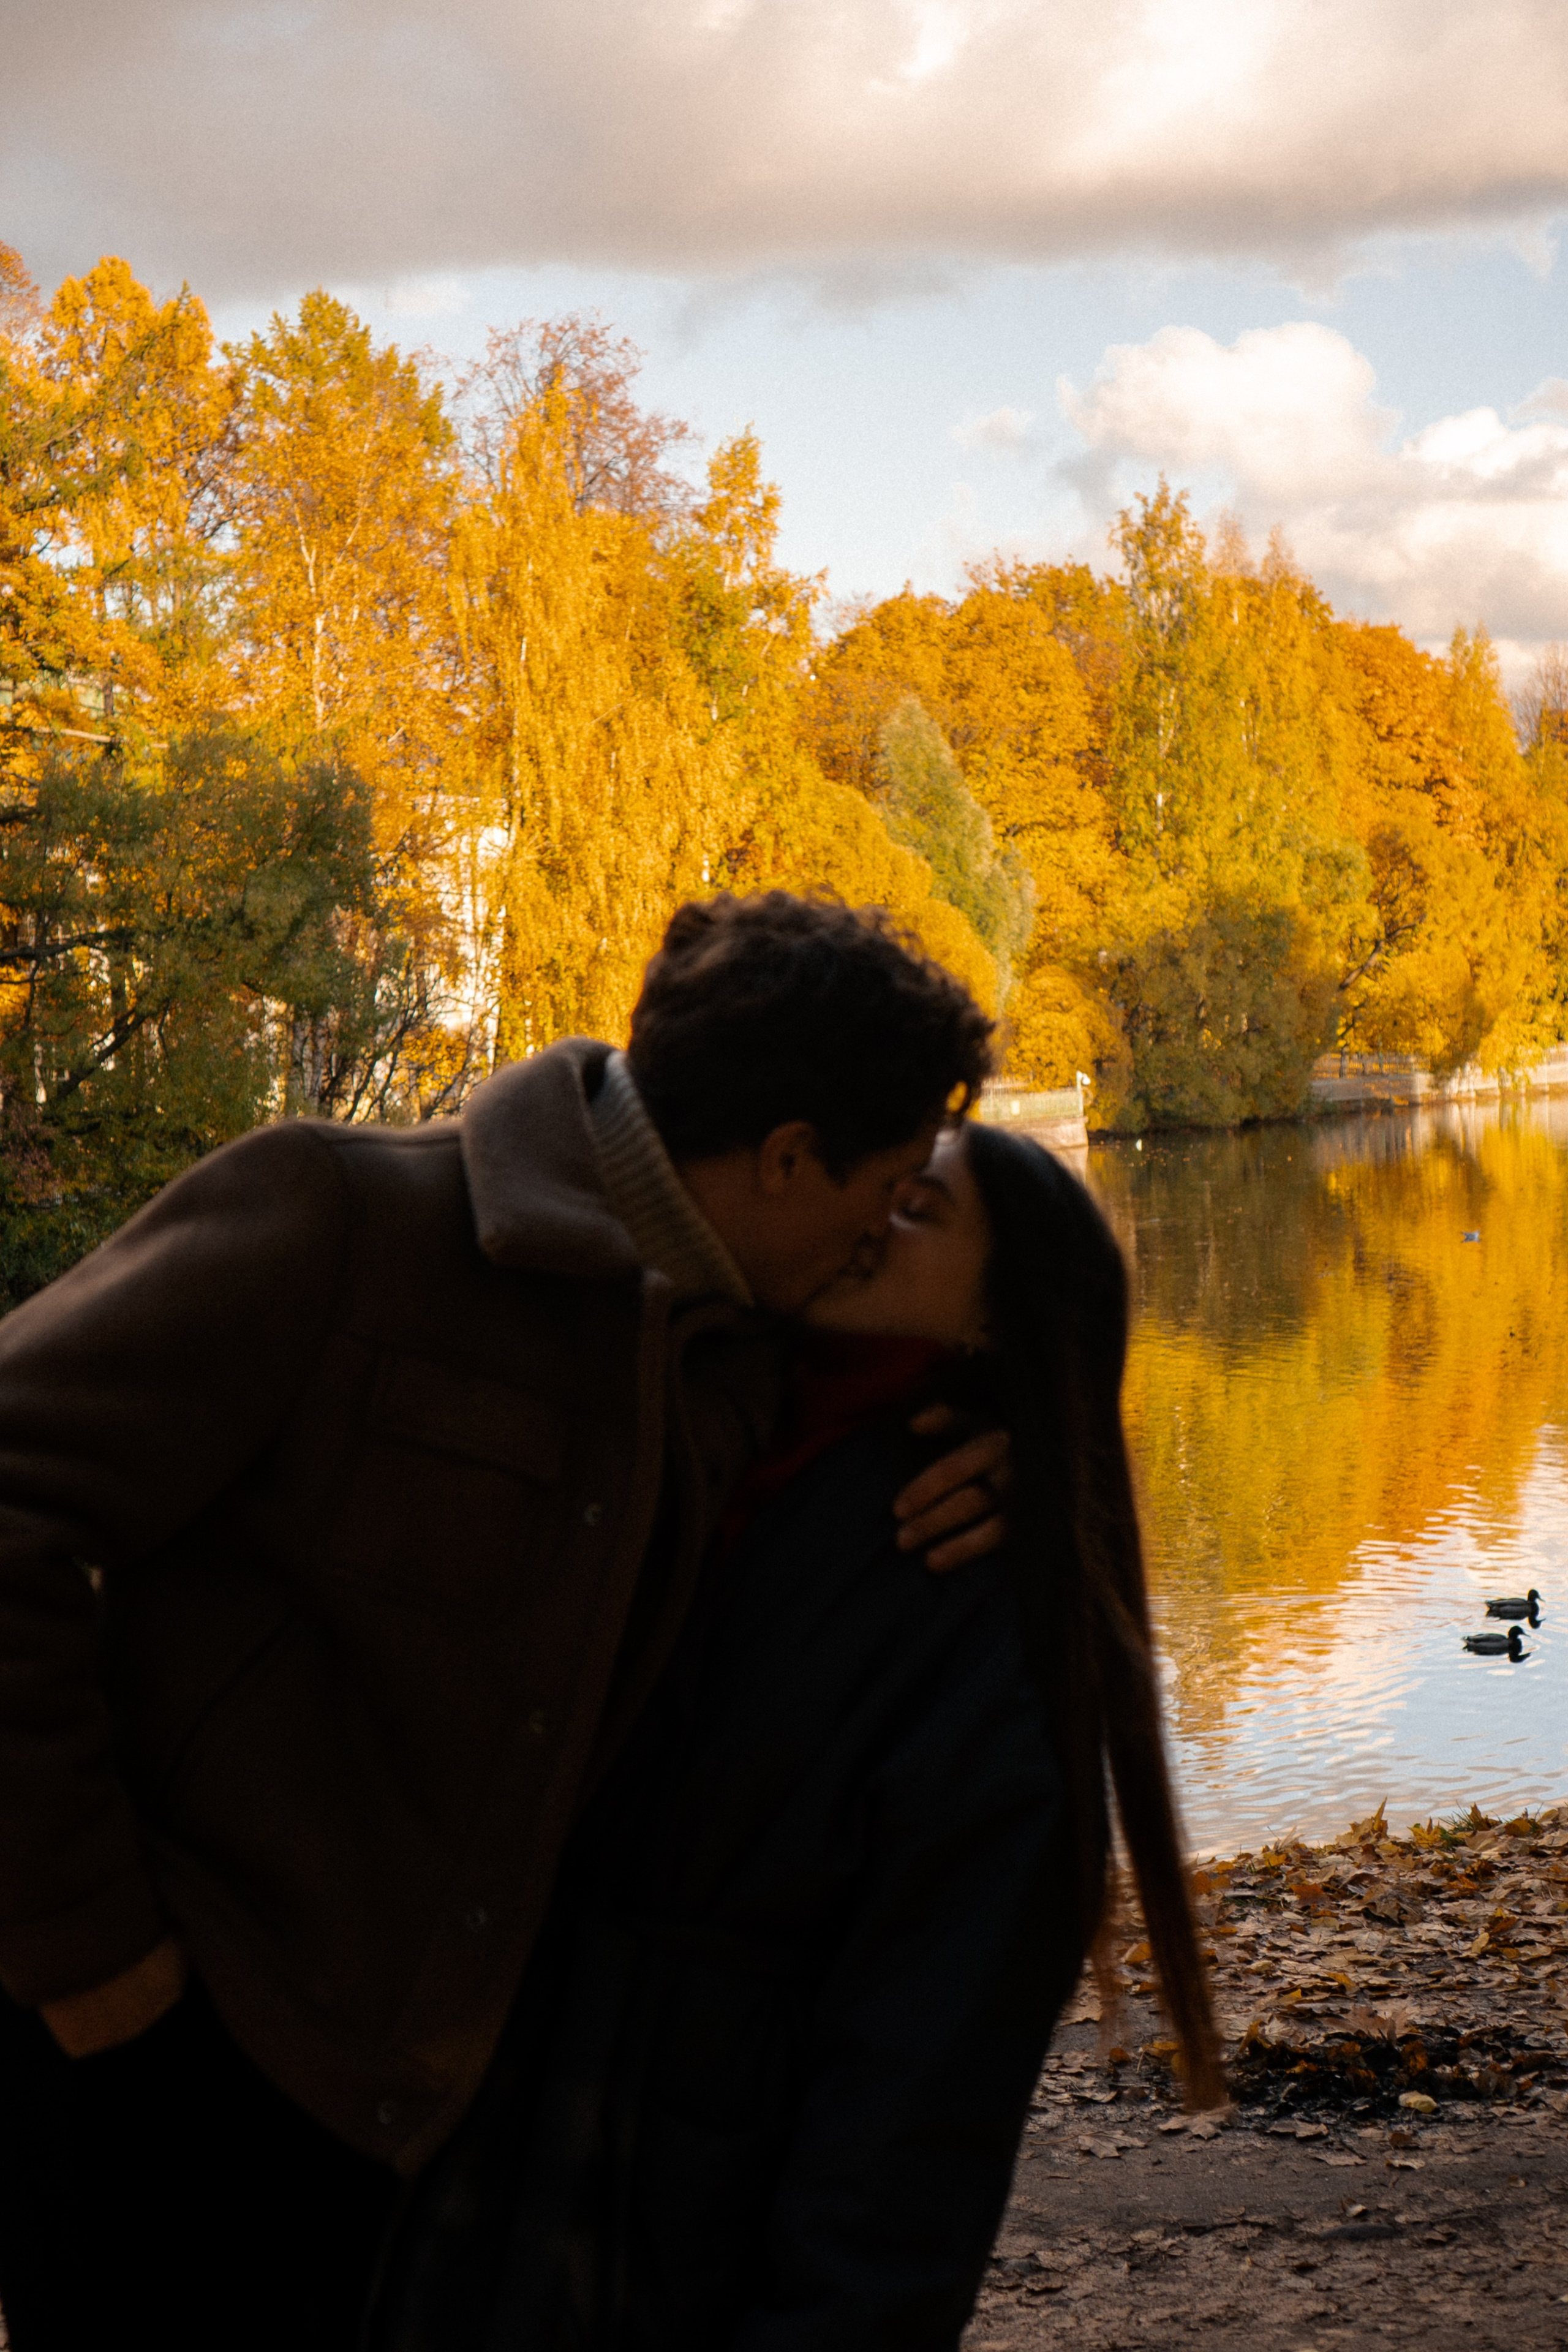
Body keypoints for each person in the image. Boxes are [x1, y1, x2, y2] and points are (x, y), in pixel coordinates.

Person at [0, 893, 1005, 2352]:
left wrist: (1029, 1438)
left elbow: (964, 1359)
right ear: (789, 1160)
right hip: (153, 2088)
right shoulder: (340, 1221)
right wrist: (98, 1968)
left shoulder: (741, 1356)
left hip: (435, 2145)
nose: (884, 1231)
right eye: (891, 1183)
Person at [366, 1117, 1224, 2352]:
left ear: (996, 1323)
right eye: (874, 1184)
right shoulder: (696, 1420)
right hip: (489, 2169)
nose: (863, 1220)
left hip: (671, 2235)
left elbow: (904, 2155)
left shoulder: (978, 1627)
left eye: (915, 1210)